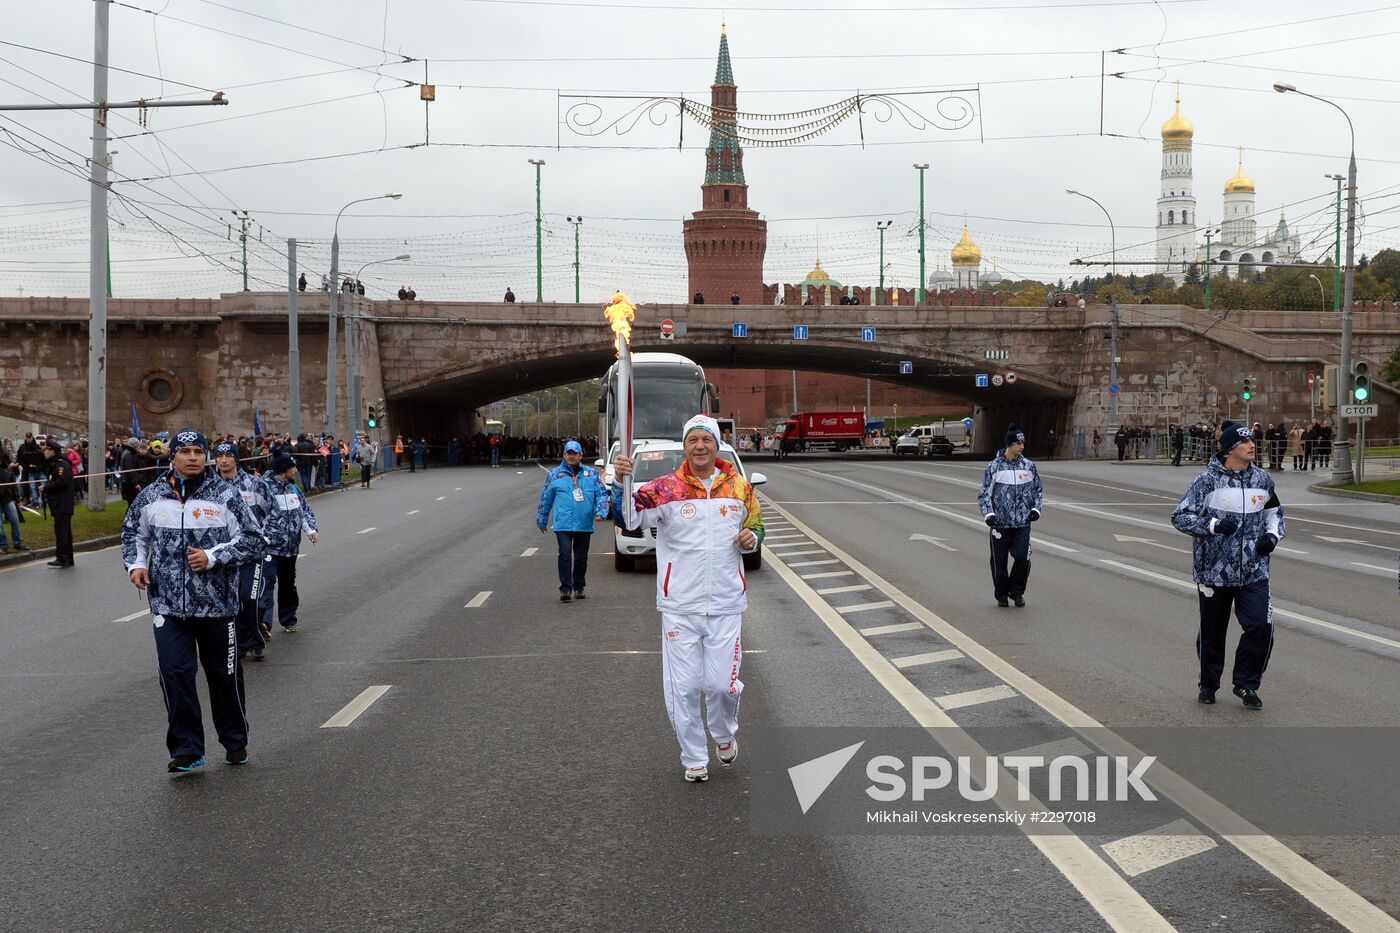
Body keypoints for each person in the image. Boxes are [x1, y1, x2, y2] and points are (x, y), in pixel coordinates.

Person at [611, 414, 764, 783]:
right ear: (685, 446)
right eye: (693, 439)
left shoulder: (740, 488)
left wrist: (752, 538)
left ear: (717, 444)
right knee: (684, 686)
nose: (700, 446)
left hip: (726, 603)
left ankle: (724, 732)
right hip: (679, 605)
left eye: (706, 440)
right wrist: (620, 482)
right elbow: (626, 517)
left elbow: (756, 524)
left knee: (720, 685)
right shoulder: (665, 488)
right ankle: (694, 757)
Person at [121, 429, 263, 773]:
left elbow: (255, 540)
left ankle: (234, 741)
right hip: (168, 606)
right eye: (184, 451)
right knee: (175, 674)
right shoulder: (151, 496)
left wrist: (212, 557)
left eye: (198, 450)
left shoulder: (226, 496)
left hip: (217, 606)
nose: (192, 457)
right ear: (172, 457)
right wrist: (136, 565)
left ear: (207, 456)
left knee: (223, 677)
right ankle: (187, 749)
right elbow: (132, 534)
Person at [1171, 421, 1283, 710]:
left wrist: (1272, 536)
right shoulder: (1207, 481)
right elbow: (1180, 517)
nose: (1252, 445)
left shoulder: (1263, 480)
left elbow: (1275, 514)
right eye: (1245, 442)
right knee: (1213, 631)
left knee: (1261, 626)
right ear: (1230, 448)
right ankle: (1208, 684)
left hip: (1254, 570)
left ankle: (1246, 684)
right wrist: (1213, 525)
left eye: (1252, 441)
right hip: (1214, 572)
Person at [212, 442, 269, 662]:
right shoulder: (211, 487)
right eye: (220, 456)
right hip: (224, 556)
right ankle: (239, 643)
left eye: (228, 456)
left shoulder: (253, 484)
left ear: (236, 459)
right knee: (230, 602)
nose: (224, 460)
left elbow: (270, 512)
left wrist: (265, 538)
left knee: (249, 598)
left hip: (251, 554)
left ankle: (254, 640)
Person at [978, 424, 1044, 608]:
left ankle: (1016, 591)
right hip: (999, 524)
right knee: (999, 562)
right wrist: (989, 514)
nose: (1021, 446)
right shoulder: (995, 466)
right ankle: (1001, 595)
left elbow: (1038, 491)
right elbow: (984, 494)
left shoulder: (1029, 466)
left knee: (1023, 558)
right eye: (1018, 443)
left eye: (1023, 443)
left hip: (1022, 522)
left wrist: (1035, 509)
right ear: (1009, 445)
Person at [536, 440, 610, 601]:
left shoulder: (591, 474)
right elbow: (545, 498)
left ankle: (579, 585)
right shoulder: (555, 475)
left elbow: (602, 494)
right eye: (568, 453)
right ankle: (565, 589)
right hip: (563, 523)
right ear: (564, 455)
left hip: (584, 524)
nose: (571, 456)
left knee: (581, 557)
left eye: (574, 453)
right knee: (564, 554)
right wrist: (542, 519)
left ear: (580, 455)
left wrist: (602, 511)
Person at [256, 454, 319, 634]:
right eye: (293, 468)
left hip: (290, 548)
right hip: (269, 548)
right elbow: (253, 516)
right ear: (284, 471)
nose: (296, 470)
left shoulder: (293, 489)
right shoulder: (264, 489)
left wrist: (311, 531)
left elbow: (304, 511)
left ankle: (288, 619)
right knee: (265, 585)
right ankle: (264, 623)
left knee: (288, 585)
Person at [40, 439, 75, 568]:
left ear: (52, 451)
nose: (44, 452)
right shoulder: (55, 463)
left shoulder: (61, 464)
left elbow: (61, 481)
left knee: (61, 532)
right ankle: (68, 558)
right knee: (65, 532)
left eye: (46, 450)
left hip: (62, 503)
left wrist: (46, 487)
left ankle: (62, 558)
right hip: (59, 502)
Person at [0, 450, 28, 554]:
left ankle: (18, 543)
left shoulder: (7, 469)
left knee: (15, 521)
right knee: (0, 526)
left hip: (8, 499)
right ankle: (3, 546)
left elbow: (14, 486)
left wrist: (18, 500)